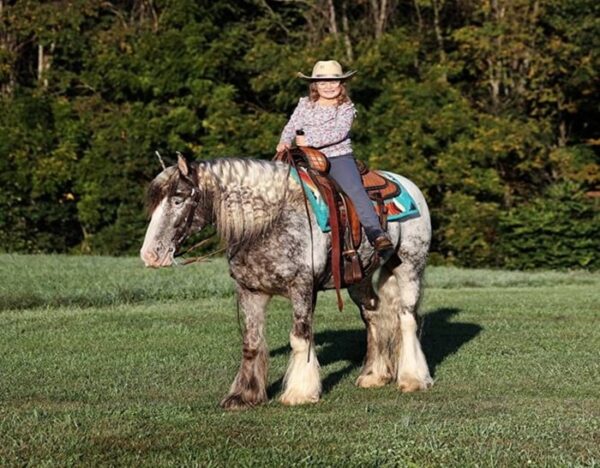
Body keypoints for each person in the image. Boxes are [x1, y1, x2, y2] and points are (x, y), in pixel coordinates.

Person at [276, 60, 394, 256]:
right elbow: (292, 125)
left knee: (354, 189)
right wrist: (285, 140)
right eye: (322, 82)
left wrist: (308, 140)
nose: (328, 86)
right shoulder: (305, 104)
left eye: (333, 81)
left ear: (342, 84)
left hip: (337, 157)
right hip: (303, 157)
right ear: (314, 85)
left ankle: (376, 233)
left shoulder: (346, 108)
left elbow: (339, 133)